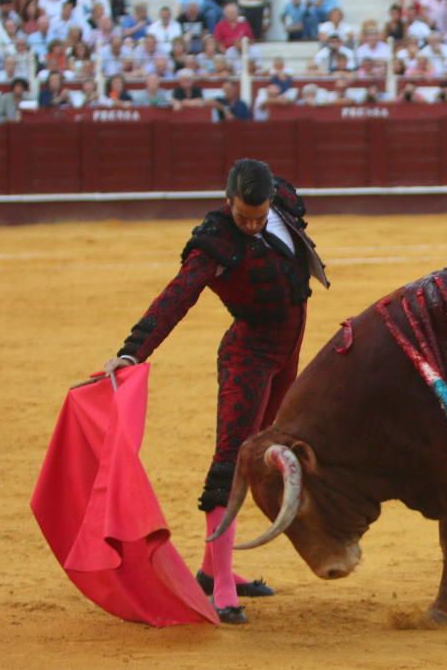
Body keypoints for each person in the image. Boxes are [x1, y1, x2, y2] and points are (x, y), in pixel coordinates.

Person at [102, 159, 330, 624]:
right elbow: (176, 297)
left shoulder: (281, 204)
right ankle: (222, 587)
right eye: (242, 215)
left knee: (265, 453)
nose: (250, 224)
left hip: (288, 352)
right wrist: (131, 352)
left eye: (257, 216)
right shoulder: (216, 241)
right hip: (248, 358)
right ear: (228, 201)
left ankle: (213, 569)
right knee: (231, 461)